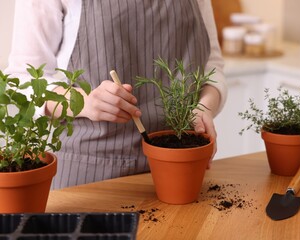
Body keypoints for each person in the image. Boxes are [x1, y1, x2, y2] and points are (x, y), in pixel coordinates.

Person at [5, 0, 227, 189]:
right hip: (93, 174)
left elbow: (211, 66)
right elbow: (23, 80)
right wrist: (85, 103)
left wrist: (204, 107)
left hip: (183, 167)